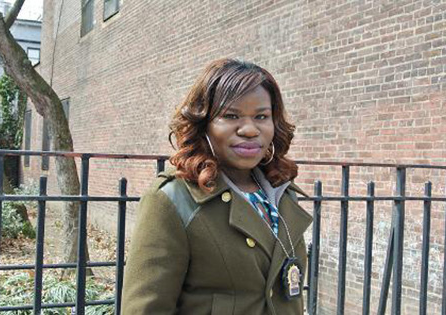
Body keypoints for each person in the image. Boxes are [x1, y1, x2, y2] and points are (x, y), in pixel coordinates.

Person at [121, 58, 312, 315]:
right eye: (231, 116)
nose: (249, 129)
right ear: (204, 124)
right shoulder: (173, 199)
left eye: (261, 116)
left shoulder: (281, 192)